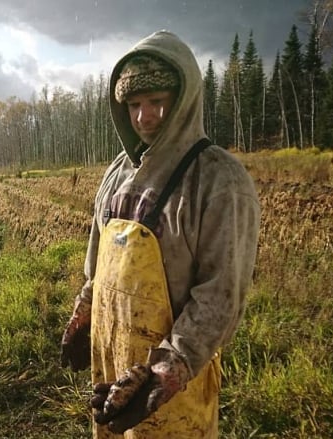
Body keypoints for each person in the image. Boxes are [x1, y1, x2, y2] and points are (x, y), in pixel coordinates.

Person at [60, 30, 260, 438]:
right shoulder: (117, 174)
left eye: (157, 102)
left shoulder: (219, 179)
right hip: (113, 361)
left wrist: (172, 365)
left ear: (184, 99)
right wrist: (85, 308)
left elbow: (221, 291)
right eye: (133, 105)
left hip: (175, 374)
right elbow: (97, 262)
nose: (143, 117)